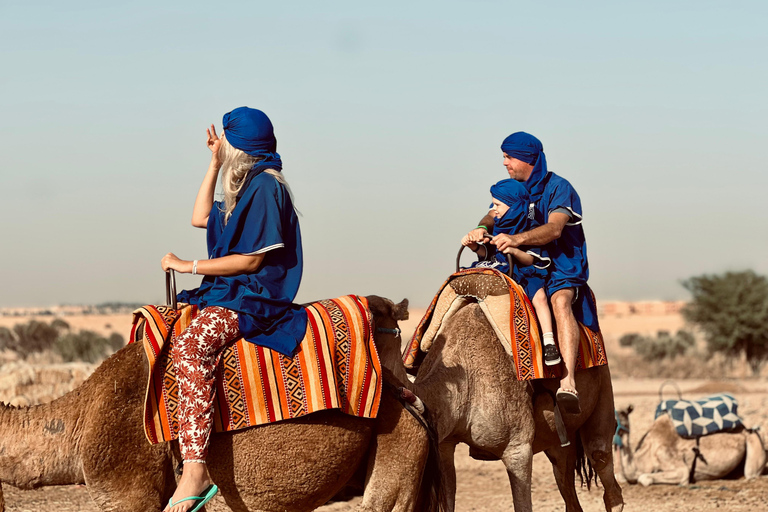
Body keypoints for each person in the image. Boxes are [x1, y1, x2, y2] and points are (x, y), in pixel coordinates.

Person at [160, 107, 307, 512]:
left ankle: (195, 470)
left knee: (193, 343)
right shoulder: (245, 187)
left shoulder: (266, 188)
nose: (219, 145)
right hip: (231, 289)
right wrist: (213, 165)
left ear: (240, 145)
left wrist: (187, 266)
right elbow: (200, 217)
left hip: (254, 294)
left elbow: (251, 263)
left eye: (224, 140)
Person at [463, 132, 598, 414]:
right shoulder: (512, 187)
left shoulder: (560, 188)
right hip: (519, 263)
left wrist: (516, 240)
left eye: (508, 157)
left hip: (561, 264)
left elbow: (555, 228)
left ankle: (568, 380)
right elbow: (492, 214)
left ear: (527, 159)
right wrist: (482, 230)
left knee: (559, 301)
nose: (504, 163)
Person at [460, 178, 560, 366]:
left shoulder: (530, 228)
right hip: (498, 267)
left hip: (524, 272)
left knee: (539, 297)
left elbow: (531, 259)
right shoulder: (497, 226)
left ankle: (548, 342)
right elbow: (486, 254)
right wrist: (474, 247)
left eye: (497, 204)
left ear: (513, 205)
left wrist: (513, 249)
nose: (494, 209)